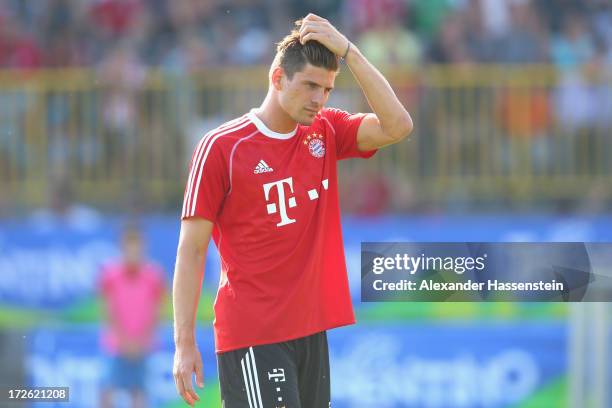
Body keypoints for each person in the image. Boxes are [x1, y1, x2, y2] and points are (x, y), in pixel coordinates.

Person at [172, 13, 413, 407]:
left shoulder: (326, 130)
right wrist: (183, 343)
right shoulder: (221, 147)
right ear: (278, 78)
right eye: (310, 86)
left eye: (328, 89)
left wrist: (349, 51)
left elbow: (398, 125)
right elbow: (191, 250)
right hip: (254, 334)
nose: (319, 99)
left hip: (310, 332)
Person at [99, 225, 166, 408]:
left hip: (143, 346)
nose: (134, 252)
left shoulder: (154, 276)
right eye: (130, 247)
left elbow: (156, 312)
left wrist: (142, 340)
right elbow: (109, 311)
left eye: (137, 247)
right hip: (116, 346)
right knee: (107, 391)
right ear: (122, 247)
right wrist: (123, 341)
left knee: (140, 393)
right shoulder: (110, 274)